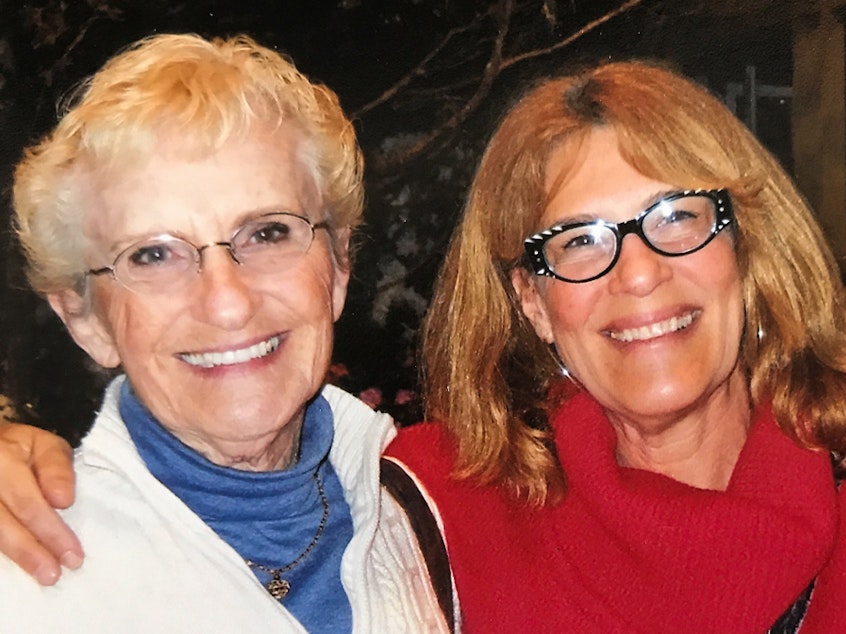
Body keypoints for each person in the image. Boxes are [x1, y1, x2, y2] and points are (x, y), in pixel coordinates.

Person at [2, 59, 846, 632]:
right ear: (533, 300)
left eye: (677, 218)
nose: (637, 276)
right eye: (153, 254)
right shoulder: (456, 498)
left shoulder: (393, 500)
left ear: (336, 270)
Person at [0, 32, 452, 633]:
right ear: (85, 320)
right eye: (154, 255)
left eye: (267, 233)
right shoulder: (25, 578)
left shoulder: (416, 514)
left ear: (339, 266)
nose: (228, 303)